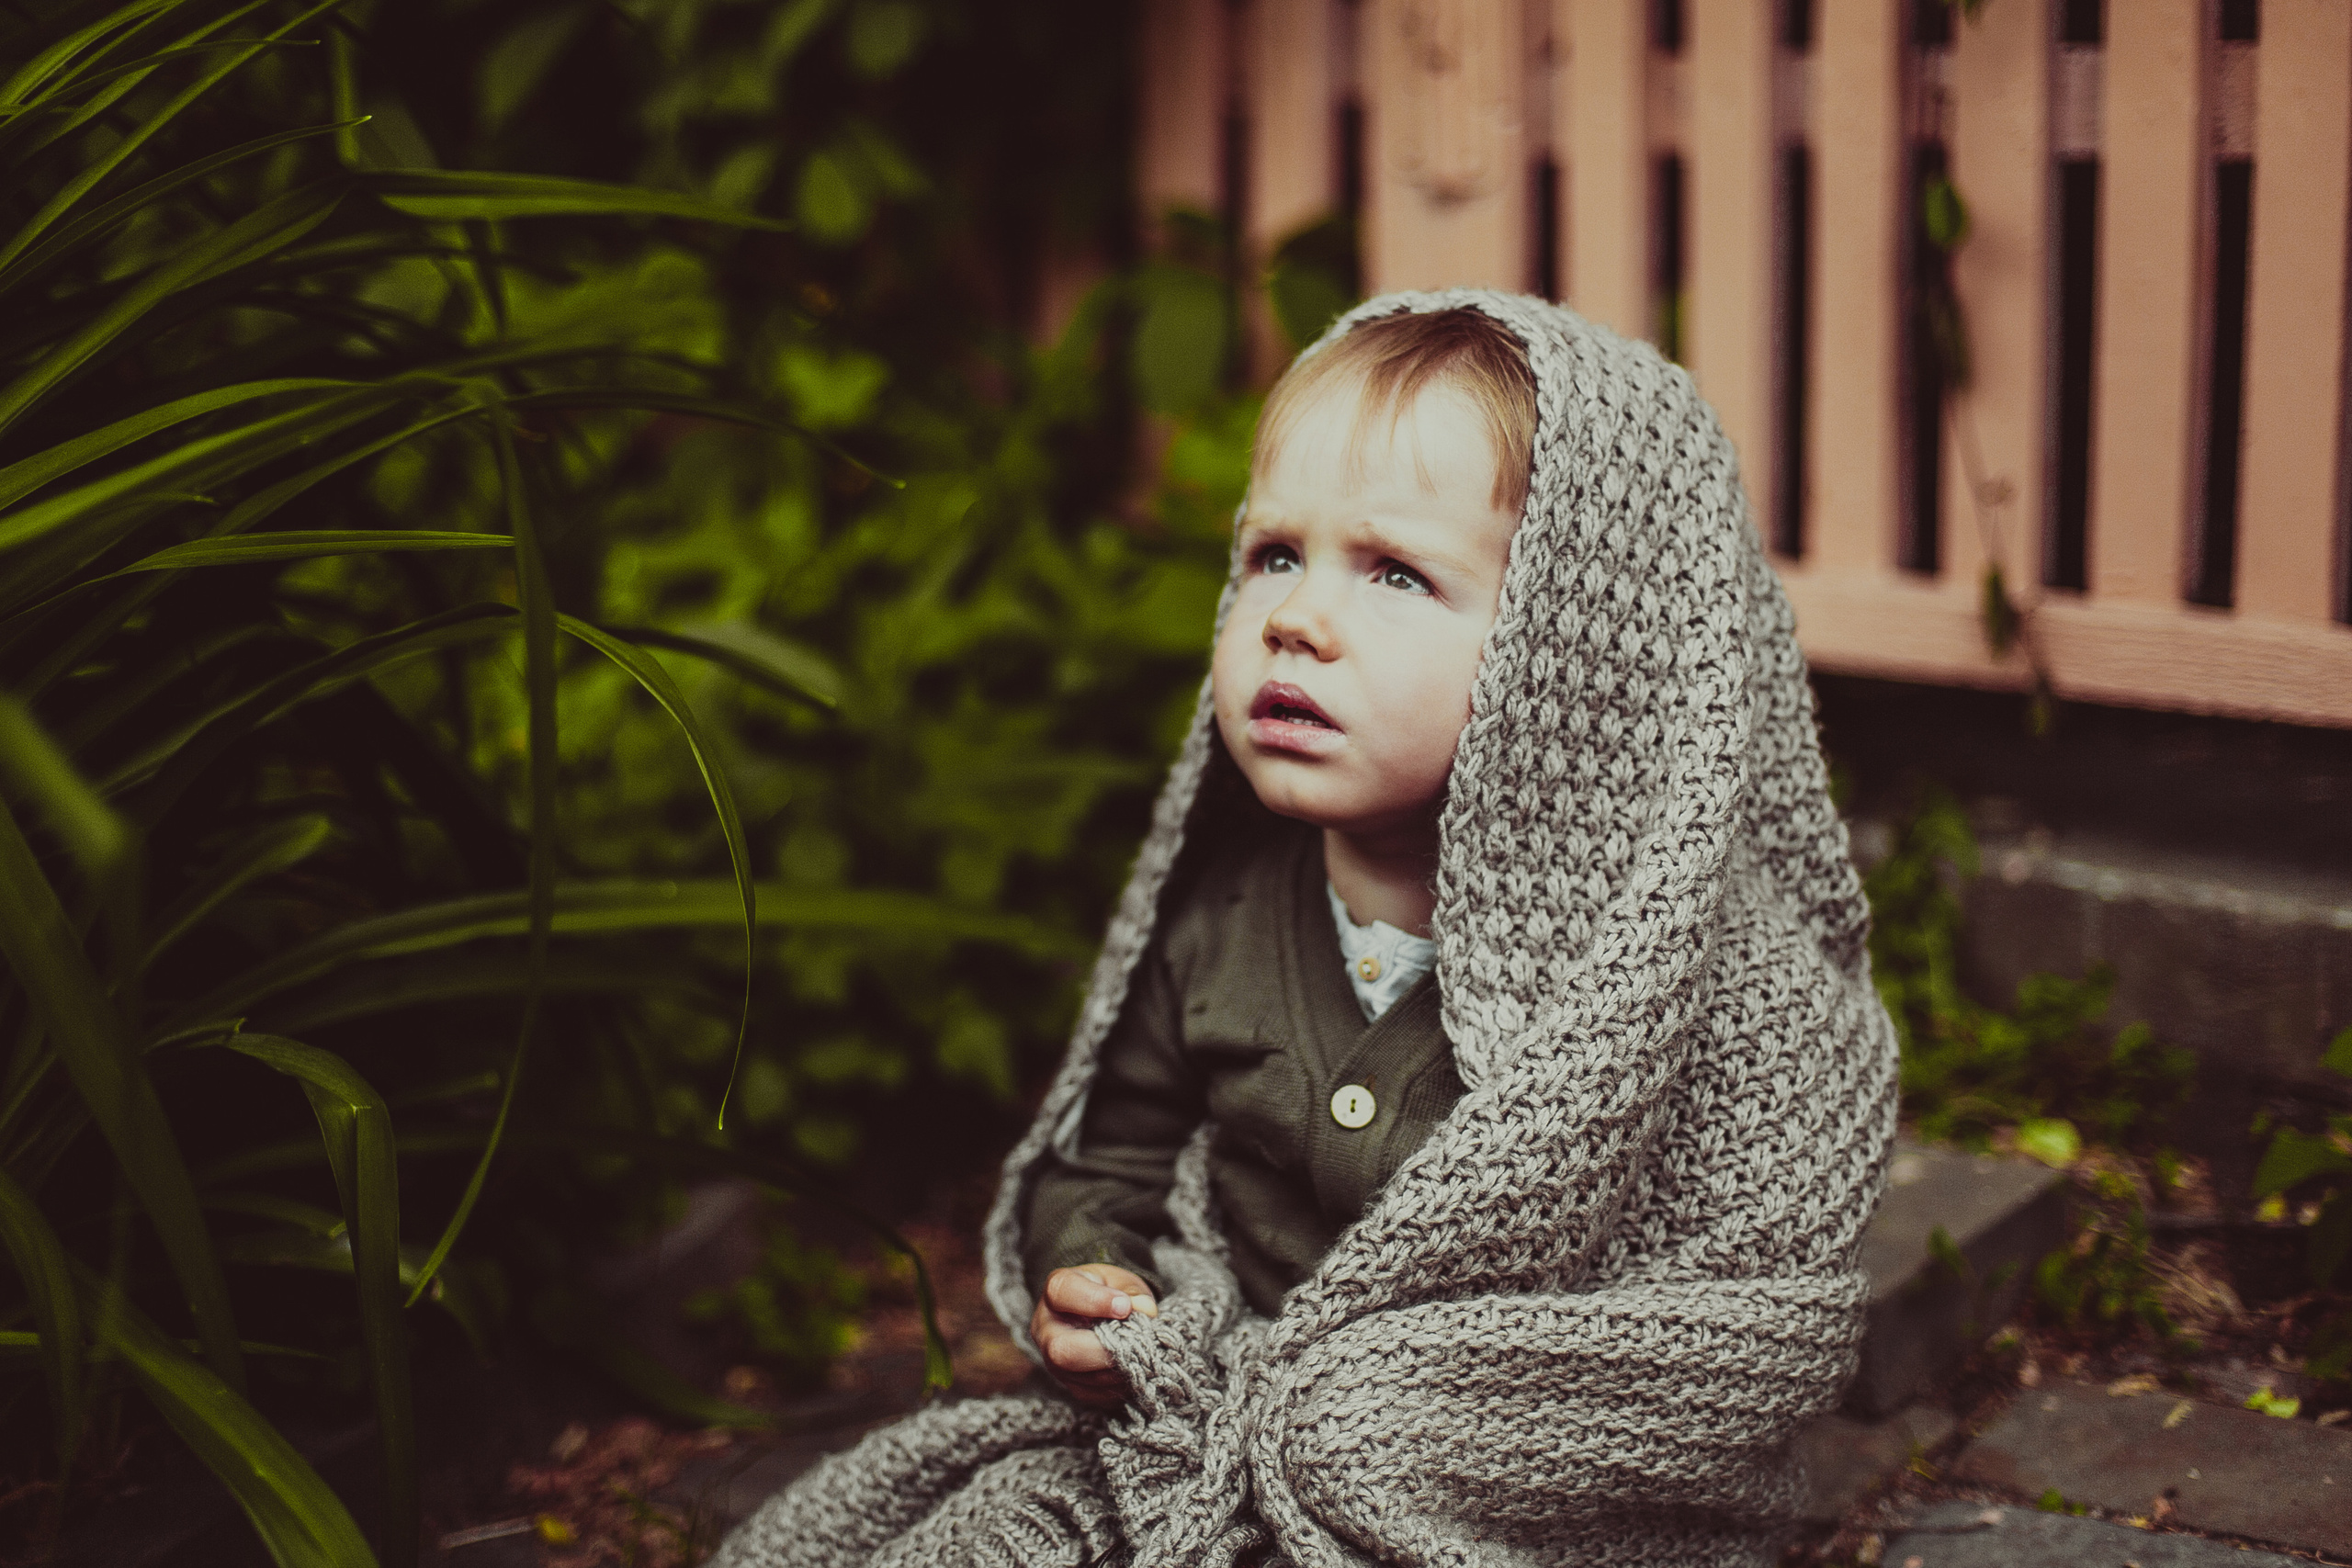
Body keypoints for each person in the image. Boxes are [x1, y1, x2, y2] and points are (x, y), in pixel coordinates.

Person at [714, 289, 1901, 1568]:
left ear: (1577, 660)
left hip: (1514, 1499)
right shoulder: (1227, 916)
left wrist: (1377, 1424)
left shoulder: (1702, 993)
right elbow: (1107, 1160)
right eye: (1276, 554)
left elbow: (1744, 1323)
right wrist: (1097, 1279)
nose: (1295, 616)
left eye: (1394, 572)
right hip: (1214, 1435)